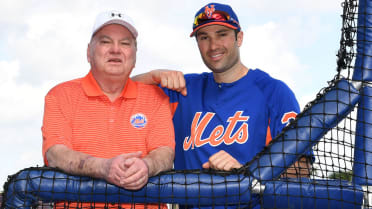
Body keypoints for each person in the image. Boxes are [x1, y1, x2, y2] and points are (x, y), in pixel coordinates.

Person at [133, 2, 311, 177]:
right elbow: (117, 92)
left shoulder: (273, 91)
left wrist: (246, 173)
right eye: (204, 37)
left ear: (239, 38)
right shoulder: (182, 89)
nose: (213, 46)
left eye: (222, 34)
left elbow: (302, 170)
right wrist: (152, 76)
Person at [41, 10, 175, 208]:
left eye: (125, 43)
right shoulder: (60, 95)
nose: (115, 49)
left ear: (135, 56)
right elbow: (55, 153)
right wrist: (103, 168)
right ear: (89, 52)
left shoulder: (156, 97)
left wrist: (146, 166)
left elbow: (164, 153)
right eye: (105, 42)